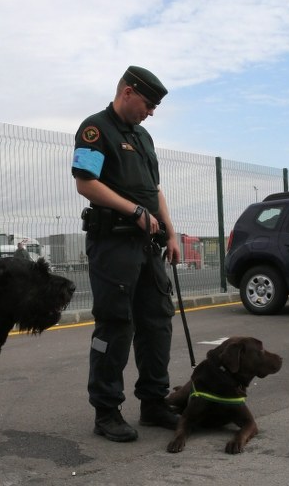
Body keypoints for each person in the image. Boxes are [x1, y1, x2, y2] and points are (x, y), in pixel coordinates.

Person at [72, 66, 181, 441]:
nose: (150, 112)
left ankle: (153, 403)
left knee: (157, 323)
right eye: (148, 104)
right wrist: (133, 211)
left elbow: (155, 189)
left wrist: (170, 231)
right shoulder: (95, 129)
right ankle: (106, 411)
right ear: (128, 92)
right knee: (116, 325)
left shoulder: (144, 137)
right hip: (113, 244)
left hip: (148, 246)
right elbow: (85, 184)